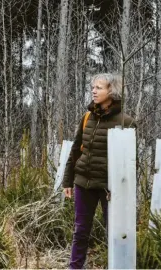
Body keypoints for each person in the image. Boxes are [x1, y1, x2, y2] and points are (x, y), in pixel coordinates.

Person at [62, 73, 136, 269]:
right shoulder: (87, 117)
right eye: (93, 87)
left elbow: (130, 163)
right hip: (83, 183)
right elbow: (76, 149)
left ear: (112, 91)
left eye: (99, 88)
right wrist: (67, 181)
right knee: (80, 231)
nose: (94, 91)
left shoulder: (126, 122)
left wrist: (119, 189)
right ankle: (75, 267)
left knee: (113, 231)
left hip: (108, 188)